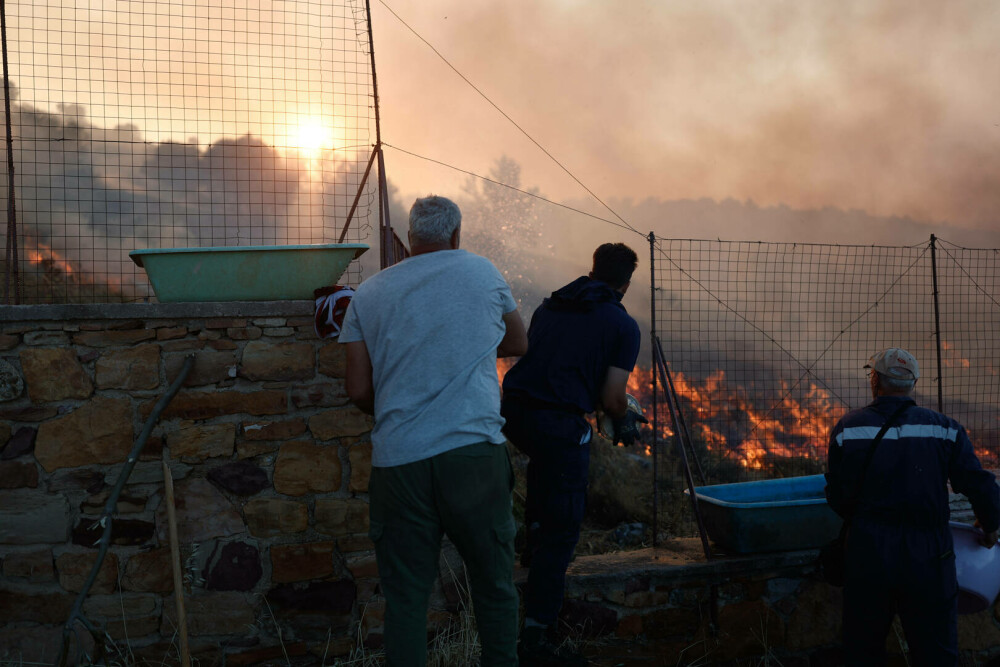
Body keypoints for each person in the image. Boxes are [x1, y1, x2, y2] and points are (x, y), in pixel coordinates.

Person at [340, 195, 528, 667]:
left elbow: (359, 388)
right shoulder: (483, 272)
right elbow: (519, 342)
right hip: (473, 458)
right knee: (494, 587)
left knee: (405, 601)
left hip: (399, 463)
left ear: (410, 239)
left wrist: (398, 411)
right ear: (456, 235)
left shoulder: (370, 293)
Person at [500, 242, 643, 666]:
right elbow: (614, 397)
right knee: (564, 528)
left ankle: (531, 547)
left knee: (545, 471)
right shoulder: (623, 325)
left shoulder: (553, 305)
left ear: (593, 268)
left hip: (514, 413)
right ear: (626, 283)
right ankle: (537, 635)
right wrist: (626, 419)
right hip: (558, 423)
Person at [825, 347, 1000, 666]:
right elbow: (980, 483)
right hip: (929, 555)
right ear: (913, 383)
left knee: (863, 648)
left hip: (869, 551)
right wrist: (991, 526)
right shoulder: (945, 428)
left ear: (875, 380)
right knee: (935, 651)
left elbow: (836, 494)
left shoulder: (848, 428)